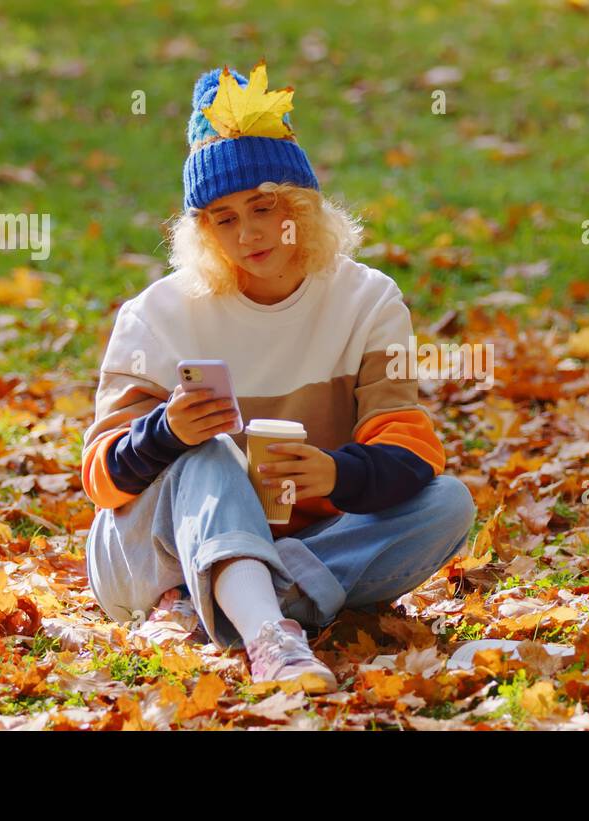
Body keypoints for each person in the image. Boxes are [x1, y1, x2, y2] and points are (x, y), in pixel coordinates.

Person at [80, 61, 477, 693]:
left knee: (448, 503)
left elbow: (409, 447)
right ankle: (266, 631)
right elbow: (102, 479)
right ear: (201, 230)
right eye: (223, 218)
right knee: (206, 452)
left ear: (300, 205)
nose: (249, 233)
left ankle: (227, 608)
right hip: (154, 560)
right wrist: (166, 434)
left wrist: (337, 473)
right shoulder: (157, 315)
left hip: (302, 538)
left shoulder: (368, 301)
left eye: (263, 207)